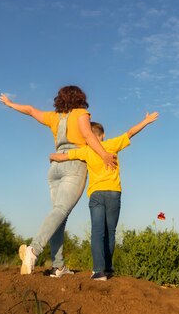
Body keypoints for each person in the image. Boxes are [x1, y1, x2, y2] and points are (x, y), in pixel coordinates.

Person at [0, 86, 117, 277]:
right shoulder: (81, 113)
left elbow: (29, 109)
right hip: (73, 163)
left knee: (59, 215)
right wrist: (103, 154)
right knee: (61, 211)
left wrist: (10, 104)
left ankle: (58, 266)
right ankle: (33, 250)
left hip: (55, 166)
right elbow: (88, 135)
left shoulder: (54, 117)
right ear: (80, 98)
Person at [50, 111, 159, 281]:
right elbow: (131, 132)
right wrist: (146, 121)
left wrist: (52, 156)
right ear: (103, 136)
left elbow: (64, 156)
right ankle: (108, 269)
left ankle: (98, 271)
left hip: (96, 195)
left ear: (89, 137)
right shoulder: (112, 144)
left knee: (97, 231)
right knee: (111, 232)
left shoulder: (85, 150)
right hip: (114, 193)